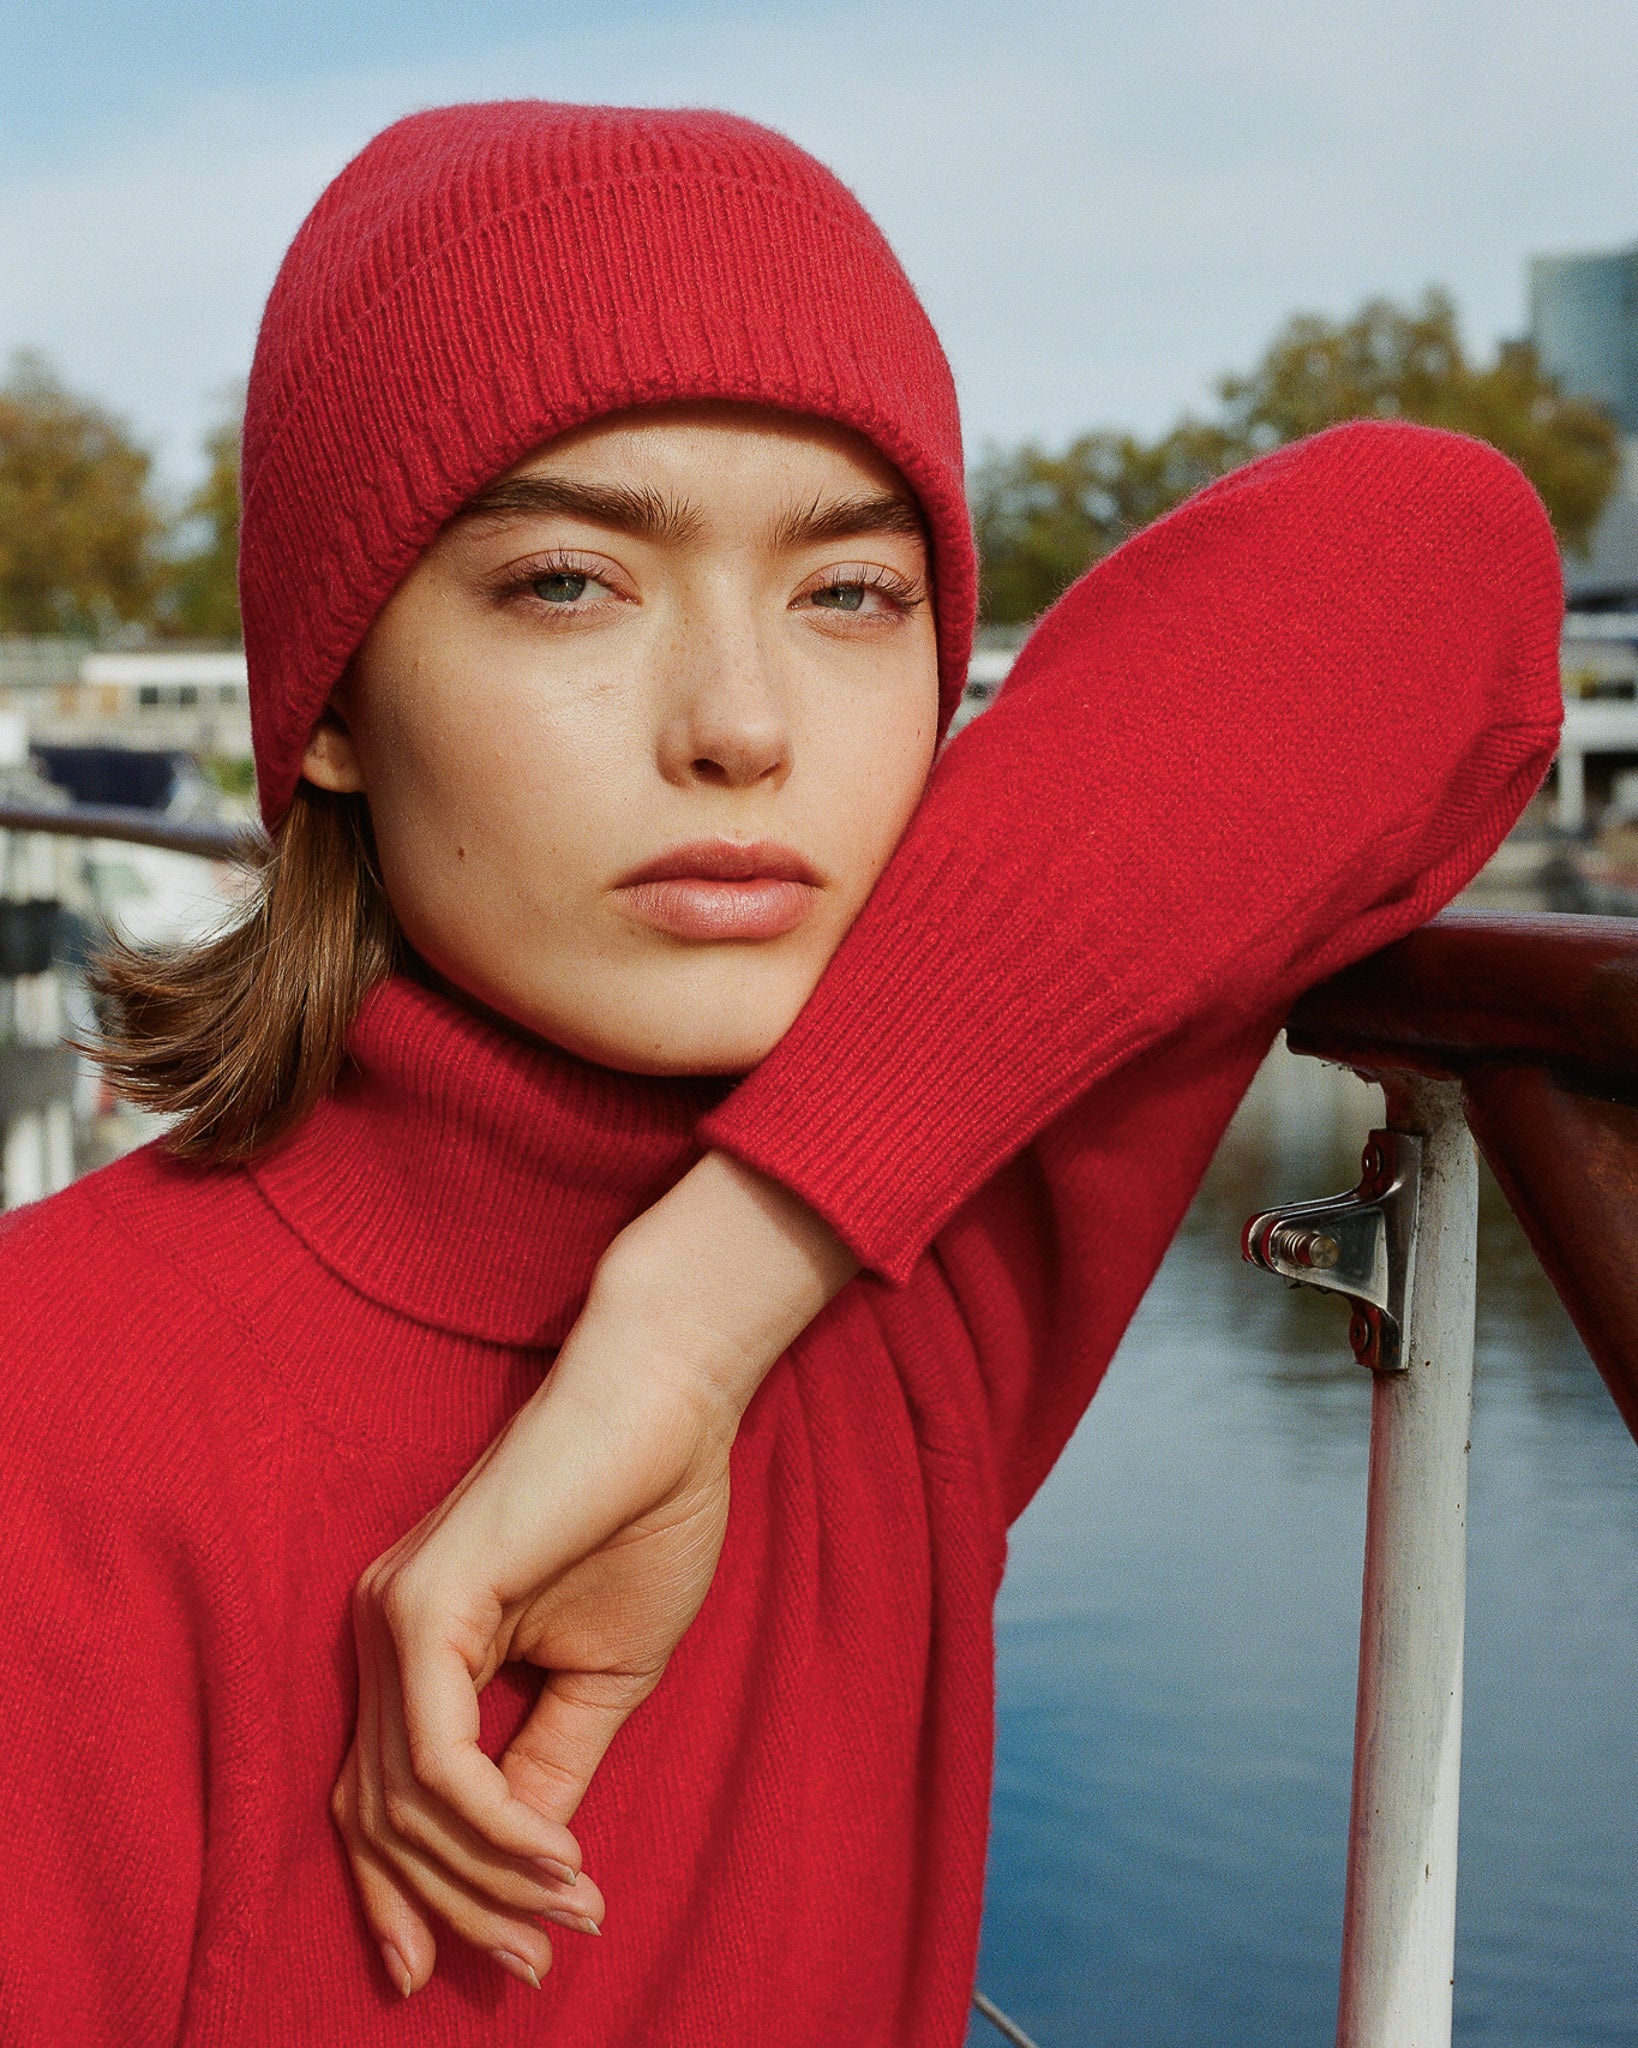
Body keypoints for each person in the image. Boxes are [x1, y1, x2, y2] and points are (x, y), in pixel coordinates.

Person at [0, 101, 1561, 2048]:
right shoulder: (47, 1421)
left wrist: (705, 1307)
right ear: (327, 705)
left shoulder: (918, 1265)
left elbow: (1438, 564)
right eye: (570, 580)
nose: (741, 724)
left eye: (851, 594)